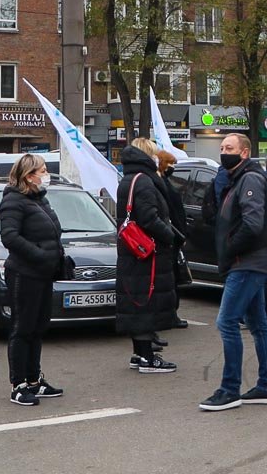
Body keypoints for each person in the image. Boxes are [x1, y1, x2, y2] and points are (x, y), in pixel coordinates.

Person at [199, 133, 267, 411]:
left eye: (229, 148)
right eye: (221, 148)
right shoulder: (237, 179)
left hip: (245, 263)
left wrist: (231, 248)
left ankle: (229, 389)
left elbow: (253, 223)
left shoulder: (251, 180)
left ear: (244, 153)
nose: (223, 152)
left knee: (227, 322)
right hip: (245, 262)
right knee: (258, 325)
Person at [0, 153, 67, 405]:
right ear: (29, 176)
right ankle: (19, 385)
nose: (46, 175)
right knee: (22, 328)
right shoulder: (13, 201)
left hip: (43, 273)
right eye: (43, 171)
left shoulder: (39, 200)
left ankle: (35, 380)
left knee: (37, 328)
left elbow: (51, 232)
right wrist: (40, 255)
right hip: (24, 273)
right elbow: (10, 237)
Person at [116, 139, 181, 374]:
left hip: (134, 252)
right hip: (147, 252)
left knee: (137, 301)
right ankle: (147, 357)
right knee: (145, 303)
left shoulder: (130, 178)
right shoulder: (144, 181)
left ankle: (139, 353)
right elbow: (149, 218)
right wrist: (169, 236)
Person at [155, 151, 191, 330]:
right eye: (170, 164)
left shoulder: (164, 182)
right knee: (171, 278)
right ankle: (169, 314)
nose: (173, 168)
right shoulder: (161, 184)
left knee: (173, 278)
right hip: (172, 236)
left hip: (175, 236)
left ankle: (171, 313)